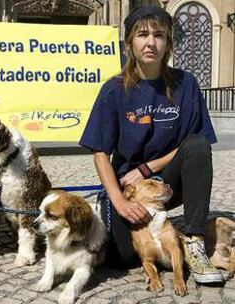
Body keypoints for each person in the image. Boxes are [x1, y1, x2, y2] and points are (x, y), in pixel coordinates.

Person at [79, 6, 224, 284]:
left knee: (197, 145)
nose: (151, 42)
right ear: (129, 44)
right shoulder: (114, 90)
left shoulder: (186, 84)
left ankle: (193, 240)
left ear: (168, 43)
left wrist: (148, 168)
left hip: (169, 180)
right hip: (130, 188)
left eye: (159, 35)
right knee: (120, 258)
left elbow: (195, 142)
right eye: (142, 34)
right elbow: (100, 154)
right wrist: (120, 202)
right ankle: (113, 209)